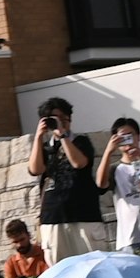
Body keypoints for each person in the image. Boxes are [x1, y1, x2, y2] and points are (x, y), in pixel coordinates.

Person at [31, 99, 104, 262]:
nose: (59, 122)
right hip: (53, 217)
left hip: (84, 214)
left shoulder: (81, 141)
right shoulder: (45, 147)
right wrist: (38, 137)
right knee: (60, 269)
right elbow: (35, 169)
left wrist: (63, 135)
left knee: (94, 264)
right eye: (53, 119)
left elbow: (79, 163)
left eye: (63, 118)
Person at [98, 117, 140, 253]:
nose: (127, 140)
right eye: (122, 137)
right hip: (129, 237)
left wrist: (139, 154)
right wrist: (108, 152)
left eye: (130, 135)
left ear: (138, 137)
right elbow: (100, 184)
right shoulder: (115, 168)